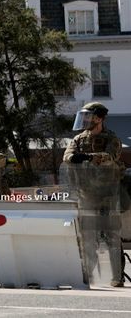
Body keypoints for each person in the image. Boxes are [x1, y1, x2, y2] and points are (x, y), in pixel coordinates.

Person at [63, 102, 125, 287]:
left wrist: (89, 157)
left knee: (112, 236)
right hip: (87, 194)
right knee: (88, 237)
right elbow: (67, 155)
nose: (86, 120)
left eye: (89, 116)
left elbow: (110, 157)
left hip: (108, 194)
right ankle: (89, 276)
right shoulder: (78, 139)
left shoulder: (111, 138)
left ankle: (117, 276)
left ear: (100, 118)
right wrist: (75, 157)